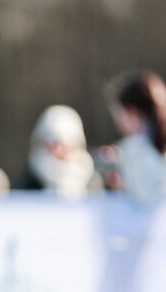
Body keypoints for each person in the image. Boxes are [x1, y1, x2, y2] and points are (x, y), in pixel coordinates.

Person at [107, 70, 166, 203]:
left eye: (119, 112)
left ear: (131, 113)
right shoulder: (138, 149)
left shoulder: (134, 150)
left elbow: (146, 201)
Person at [21, 104, 101, 198]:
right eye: (52, 145)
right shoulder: (29, 183)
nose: (58, 151)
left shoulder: (93, 181)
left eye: (65, 145)